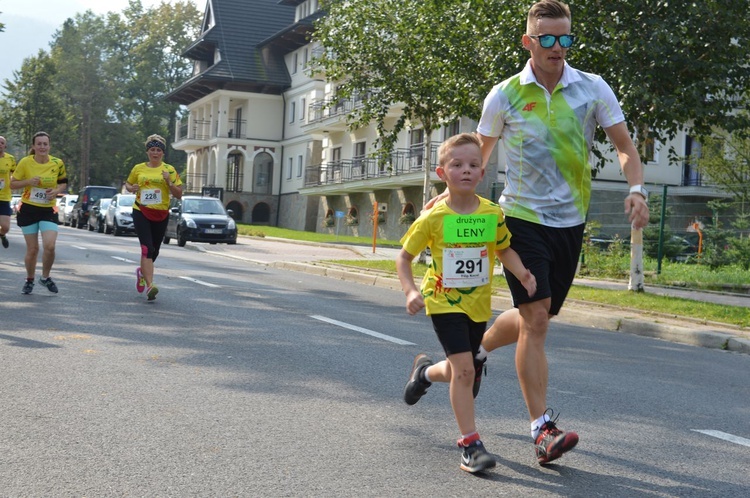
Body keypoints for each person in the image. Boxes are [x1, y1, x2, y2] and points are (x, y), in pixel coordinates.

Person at [469, 0, 650, 465]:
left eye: (564, 38)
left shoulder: (591, 88)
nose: (557, 47)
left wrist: (637, 190)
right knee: (537, 319)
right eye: (546, 38)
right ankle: (541, 429)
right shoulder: (506, 94)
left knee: (536, 316)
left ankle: (470, 355)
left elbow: (625, 147)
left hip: (570, 222)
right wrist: (459, 208)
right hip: (521, 219)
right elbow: (480, 159)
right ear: (529, 42)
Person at [397, 133, 537, 474]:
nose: (466, 170)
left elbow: (503, 248)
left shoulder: (492, 213)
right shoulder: (433, 217)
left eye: (473, 165)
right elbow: (404, 257)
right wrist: (411, 292)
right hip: (443, 302)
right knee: (464, 370)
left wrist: (522, 273)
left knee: (463, 368)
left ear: (482, 173)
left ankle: (425, 372)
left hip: (478, 305)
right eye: (457, 165)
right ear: (442, 173)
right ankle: (470, 444)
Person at [125, 134, 182, 301]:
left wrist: (169, 182)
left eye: (158, 150)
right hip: (141, 211)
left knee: (154, 250)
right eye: (152, 150)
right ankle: (150, 286)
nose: (155, 153)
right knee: (147, 249)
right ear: (147, 151)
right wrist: (131, 187)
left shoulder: (169, 170)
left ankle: (141, 272)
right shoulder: (138, 168)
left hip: (161, 213)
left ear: (163, 153)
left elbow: (179, 194)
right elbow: (128, 184)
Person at [10, 132, 68, 294]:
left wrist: (55, 191)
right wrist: (28, 182)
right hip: (28, 209)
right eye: (39, 144)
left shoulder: (57, 163)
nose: (42, 147)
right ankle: (29, 280)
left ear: (49, 146)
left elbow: (63, 183)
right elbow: (12, 184)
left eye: (45, 144)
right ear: (33, 146)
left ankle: (45, 277)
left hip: (48, 209)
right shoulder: (25, 162)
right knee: (33, 249)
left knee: (49, 246)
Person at [0, 135, 17, 249]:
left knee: (5, 227)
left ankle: (2, 235)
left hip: (4, 197)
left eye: (2, 143)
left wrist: (14, 182)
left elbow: (16, 174)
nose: (0, 144)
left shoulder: (10, 159)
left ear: (5, 146)